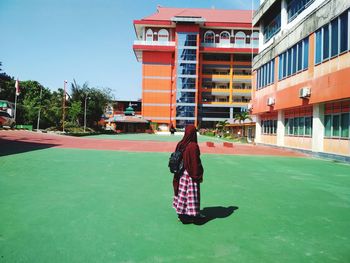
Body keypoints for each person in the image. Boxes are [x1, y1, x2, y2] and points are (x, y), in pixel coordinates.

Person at [172, 125, 204, 224]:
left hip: (180, 174)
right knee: (191, 194)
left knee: (182, 194)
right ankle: (194, 216)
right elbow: (195, 163)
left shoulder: (181, 143)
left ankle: (181, 215)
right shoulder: (193, 146)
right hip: (190, 175)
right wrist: (199, 175)